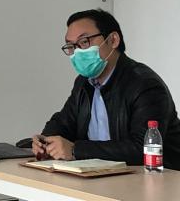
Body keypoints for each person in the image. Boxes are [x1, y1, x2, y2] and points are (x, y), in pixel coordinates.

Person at [32, 9, 180, 169]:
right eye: (71, 46)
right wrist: (45, 141)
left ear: (113, 40)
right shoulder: (84, 82)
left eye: (84, 42)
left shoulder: (145, 84)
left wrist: (75, 150)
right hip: (102, 174)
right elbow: (63, 121)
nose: (78, 53)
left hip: (156, 177)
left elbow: (141, 148)